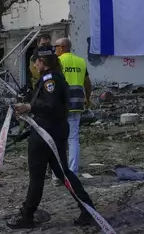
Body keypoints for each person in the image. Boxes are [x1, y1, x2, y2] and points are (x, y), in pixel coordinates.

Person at [7, 45, 97, 229]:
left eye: (35, 62)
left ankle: (27, 215)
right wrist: (26, 105)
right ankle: (88, 210)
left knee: (38, 175)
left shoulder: (51, 80)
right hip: (52, 131)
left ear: (41, 62)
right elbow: (45, 102)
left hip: (45, 133)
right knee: (64, 173)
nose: (33, 66)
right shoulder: (52, 78)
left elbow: (52, 107)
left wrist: (30, 108)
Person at [51, 37, 90, 181]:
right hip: (78, 103)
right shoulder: (81, 61)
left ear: (62, 48)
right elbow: (87, 82)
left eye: (56, 47)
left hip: (62, 105)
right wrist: (88, 98)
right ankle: (73, 172)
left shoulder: (58, 62)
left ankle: (58, 173)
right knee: (73, 138)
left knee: (58, 139)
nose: (55, 49)